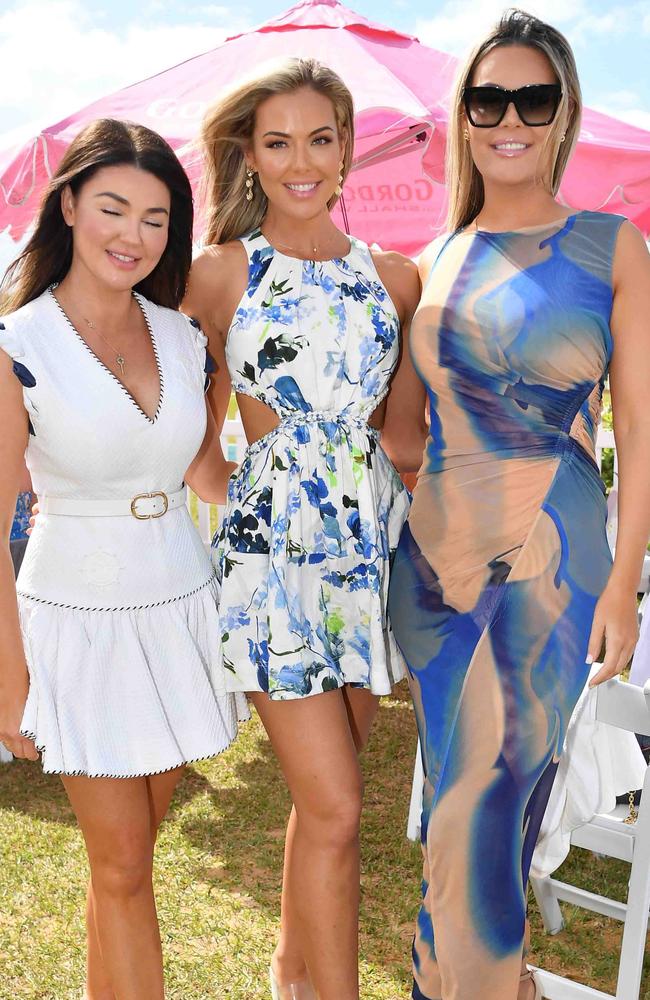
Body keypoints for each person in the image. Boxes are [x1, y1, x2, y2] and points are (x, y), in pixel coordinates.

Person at [387, 10, 650, 1000]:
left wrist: (622, 581)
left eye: (530, 99)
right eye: (485, 98)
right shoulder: (436, 254)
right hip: (433, 573)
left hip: (550, 563)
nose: (507, 117)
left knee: (478, 813)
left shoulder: (610, 248)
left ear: (561, 113)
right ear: (460, 116)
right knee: (460, 828)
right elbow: (404, 430)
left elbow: (640, 432)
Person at [183, 58, 423, 1000]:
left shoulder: (395, 279)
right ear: (249, 153)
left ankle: (292, 974)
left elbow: (403, 437)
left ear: (346, 147)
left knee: (326, 804)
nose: (300, 161)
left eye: (319, 139)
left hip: (368, 555)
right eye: (277, 142)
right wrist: (227, 482)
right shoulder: (219, 272)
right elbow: (178, 419)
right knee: (337, 807)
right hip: (273, 561)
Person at [0, 118, 246, 1000]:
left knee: (128, 865)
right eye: (112, 208)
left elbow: (210, 478)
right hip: (78, 622)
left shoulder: (183, 337)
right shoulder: (16, 348)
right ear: (68, 205)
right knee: (123, 870)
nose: (132, 236)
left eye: (154, 218)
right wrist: (8, 676)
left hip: (182, 608)